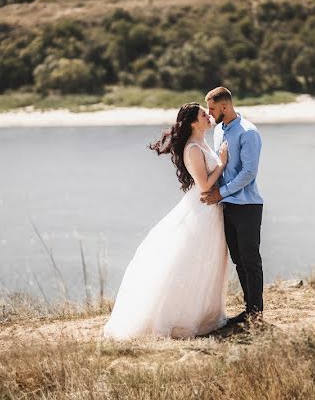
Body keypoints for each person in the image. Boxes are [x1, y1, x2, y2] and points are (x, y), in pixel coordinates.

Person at [103, 102, 231, 339]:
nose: (208, 116)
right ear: (194, 122)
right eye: (203, 114)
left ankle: (206, 314)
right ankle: (180, 318)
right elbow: (203, 185)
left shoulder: (203, 142)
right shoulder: (193, 148)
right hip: (201, 211)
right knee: (192, 260)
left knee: (209, 260)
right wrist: (222, 163)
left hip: (213, 210)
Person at [202, 87, 265, 325]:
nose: (209, 113)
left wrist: (220, 193)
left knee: (251, 260)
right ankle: (249, 311)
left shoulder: (248, 132)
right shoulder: (219, 130)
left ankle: (257, 315)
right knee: (238, 259)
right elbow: (222, 166)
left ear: (225, 107)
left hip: (247, 205)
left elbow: (249, 172)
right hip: (226, 205)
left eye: (212, 108)